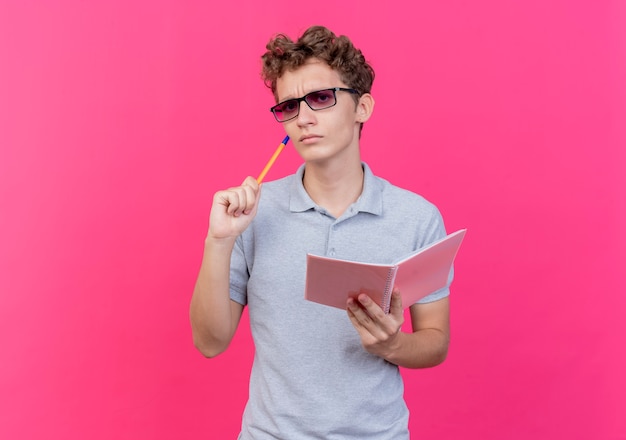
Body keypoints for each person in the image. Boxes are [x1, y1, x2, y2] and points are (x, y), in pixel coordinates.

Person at [190, 25, 452, 439]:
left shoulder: (416, 217)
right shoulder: (253, 213)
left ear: (362, 107)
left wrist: (391, 346)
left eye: (321, 98)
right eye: (289, 106)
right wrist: (218, 241)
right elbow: (210, 343)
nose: (303, 118)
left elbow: (436, 341)